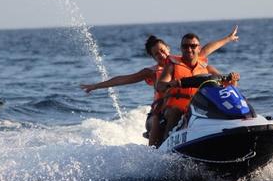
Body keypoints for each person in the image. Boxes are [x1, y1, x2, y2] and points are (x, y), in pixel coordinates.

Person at [80, 26, 239, 146]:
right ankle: (160, 153)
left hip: (191, 107)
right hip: (162, 112)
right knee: (161, 117)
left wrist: (228, 38)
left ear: (168, 49)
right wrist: (95, 86)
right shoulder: (153, 71)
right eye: (157, 54)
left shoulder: (185, 60)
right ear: (153, 57)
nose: (162, 55)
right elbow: (124, 79)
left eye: (163, 51)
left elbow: (206, 49)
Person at [156, 33, 240, 146]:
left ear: (198, 48)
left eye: (193, 46)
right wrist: (172, 84)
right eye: (185, 46)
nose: (189, 49)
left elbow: (226, 87)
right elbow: (160, 85)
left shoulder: (206, 68)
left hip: (200, 107)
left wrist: (233, 80)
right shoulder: (172, 66)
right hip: (175, 108)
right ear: (181, 48)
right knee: (175, 111)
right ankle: (166, 144)